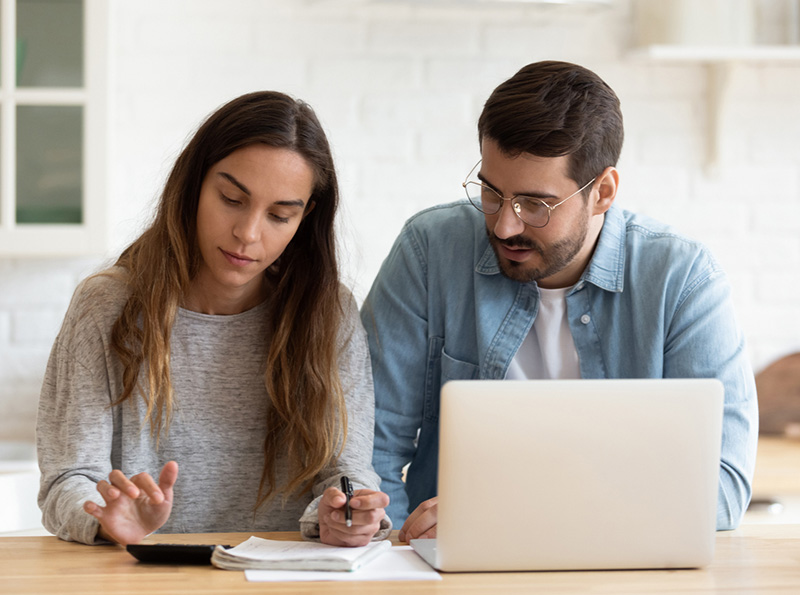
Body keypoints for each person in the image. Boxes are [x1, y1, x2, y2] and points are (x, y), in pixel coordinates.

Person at [361, 61, 758, 540]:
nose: (505, 226)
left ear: (603, 192)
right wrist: (390, 546)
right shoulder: (430, 250)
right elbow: (369, 447)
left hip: (618, 575)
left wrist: (511, 516)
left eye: (536, 205)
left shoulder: (682, 280)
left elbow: (723, 488)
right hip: (450, 572)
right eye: (491, 192)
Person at [37, 91, 390, 547]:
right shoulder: (107, 305)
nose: (248, 233)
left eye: (280, 215)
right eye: (231, 198)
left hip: (288, 581)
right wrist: (109, 520)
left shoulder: (329, 314)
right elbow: (69, 478)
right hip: (144, 580)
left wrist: (347, 510)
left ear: (305, 218)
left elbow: (345, 470)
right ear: (194, 184)